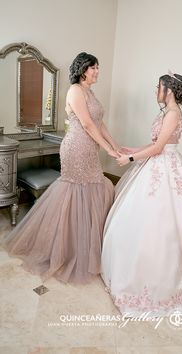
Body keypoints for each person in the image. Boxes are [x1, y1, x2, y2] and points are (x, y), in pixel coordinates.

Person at [101, 72, 182, 317]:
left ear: (169, 91)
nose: (155, 90)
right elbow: (155, 144)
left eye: (159, 87)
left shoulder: (173, 114)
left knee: (166, 219)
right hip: (158, 163)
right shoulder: (167, 113)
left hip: (165, 167)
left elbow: (159, 148)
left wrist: (129, 158)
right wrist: (131, 149)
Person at [2, 52, 120, 285]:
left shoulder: (90, 91)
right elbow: (86, 123)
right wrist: (107, 148)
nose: (97, 71)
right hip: (76, 147)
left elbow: (99, 122)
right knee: (74, 193)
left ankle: (85, 245)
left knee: (92, 191)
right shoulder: (75, 90)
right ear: (83, 69)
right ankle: (65, 250)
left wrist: (114, 144)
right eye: (93, 67)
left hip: (89, 150)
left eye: (98, 67)